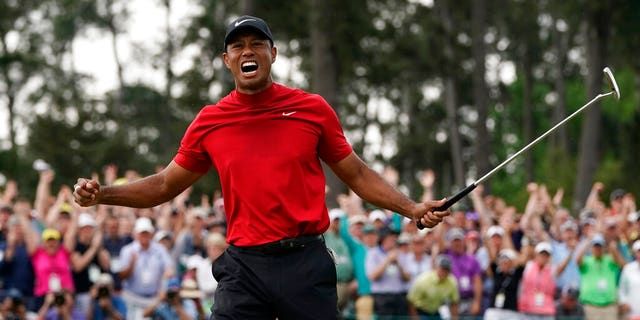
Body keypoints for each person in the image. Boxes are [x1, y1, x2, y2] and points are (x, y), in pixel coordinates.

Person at [73, 14, 449, 320]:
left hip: (304, 261)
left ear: (273, 53)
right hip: (244, 267)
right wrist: (103, 195)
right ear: (227, 60)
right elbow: (163, 186)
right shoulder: (210, 121)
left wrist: (413, 208)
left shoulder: (312, 109)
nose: (246, 51)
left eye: (256, 44)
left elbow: (358, 175)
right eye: (237, 45)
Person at [118, 217, 174, 320]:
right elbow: (121, 276)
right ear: (135, 233)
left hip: (153, 300)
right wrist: (131, 265)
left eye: (146, 233)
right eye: (141, 233)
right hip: (132, 299)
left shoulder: (160, 250)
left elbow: (168, 269)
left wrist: (168, 275)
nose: (144, 236)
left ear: (151, 233)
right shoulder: (127, 250)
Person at [575, 233, 625, 320]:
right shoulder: (587, 261)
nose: (597, 249)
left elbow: (619, 262)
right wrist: (587, 242)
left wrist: (610, 244)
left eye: (599, 246)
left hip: (609, 305)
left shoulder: (609, 260)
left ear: (603, 248)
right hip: (590, 305)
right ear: (591, 248)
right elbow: (578, 260)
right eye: (595, 246)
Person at [365, 227, 410, 318]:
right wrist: (388, 260)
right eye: (391, 237)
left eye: (394, 237)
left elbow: (407, 278)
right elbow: (372, 276)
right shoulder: (373, 253)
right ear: (383, 238)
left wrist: (398, 264)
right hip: (382, 297)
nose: (394, 239)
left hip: (400, 296)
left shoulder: (400, 253)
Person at [407, 255, 459, 319]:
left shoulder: (452, 282)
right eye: (442, 269)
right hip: (421, 310)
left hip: (436, 311)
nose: (444, 272)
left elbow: (454, 303)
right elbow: (411, 301)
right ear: (436, 267)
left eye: (447, 270)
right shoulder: (424, 280)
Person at [324, 208, 354, 315]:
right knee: (330, 312)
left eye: (339, 220)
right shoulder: (325, 235)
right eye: (335, 220)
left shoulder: (342, 237)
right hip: (334, 283)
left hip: (346, 283)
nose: (338, 223)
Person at [618, 240, 640, 320]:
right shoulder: (628, 268)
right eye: (638, 252)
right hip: (632, 313)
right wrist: (624, 302)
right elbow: (622, 289)